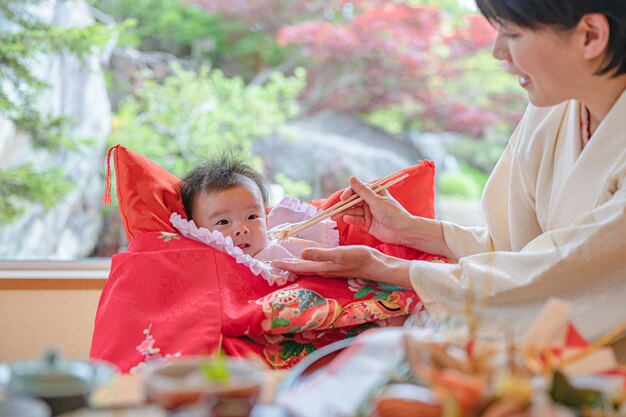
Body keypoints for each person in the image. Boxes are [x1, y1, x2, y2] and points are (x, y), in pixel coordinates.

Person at [273, 0, 626, 348]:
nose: (497, 51)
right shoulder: (553, 111)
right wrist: (409, 229)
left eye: (513, 33)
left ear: (590, 35)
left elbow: (565, 277)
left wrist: (383, 266)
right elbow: (512, 249)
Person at [180, 152, 337, 261]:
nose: (242, 229)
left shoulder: (282, 247)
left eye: (252, 217)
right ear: (197, 232)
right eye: (223, 222)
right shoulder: (203, 262)